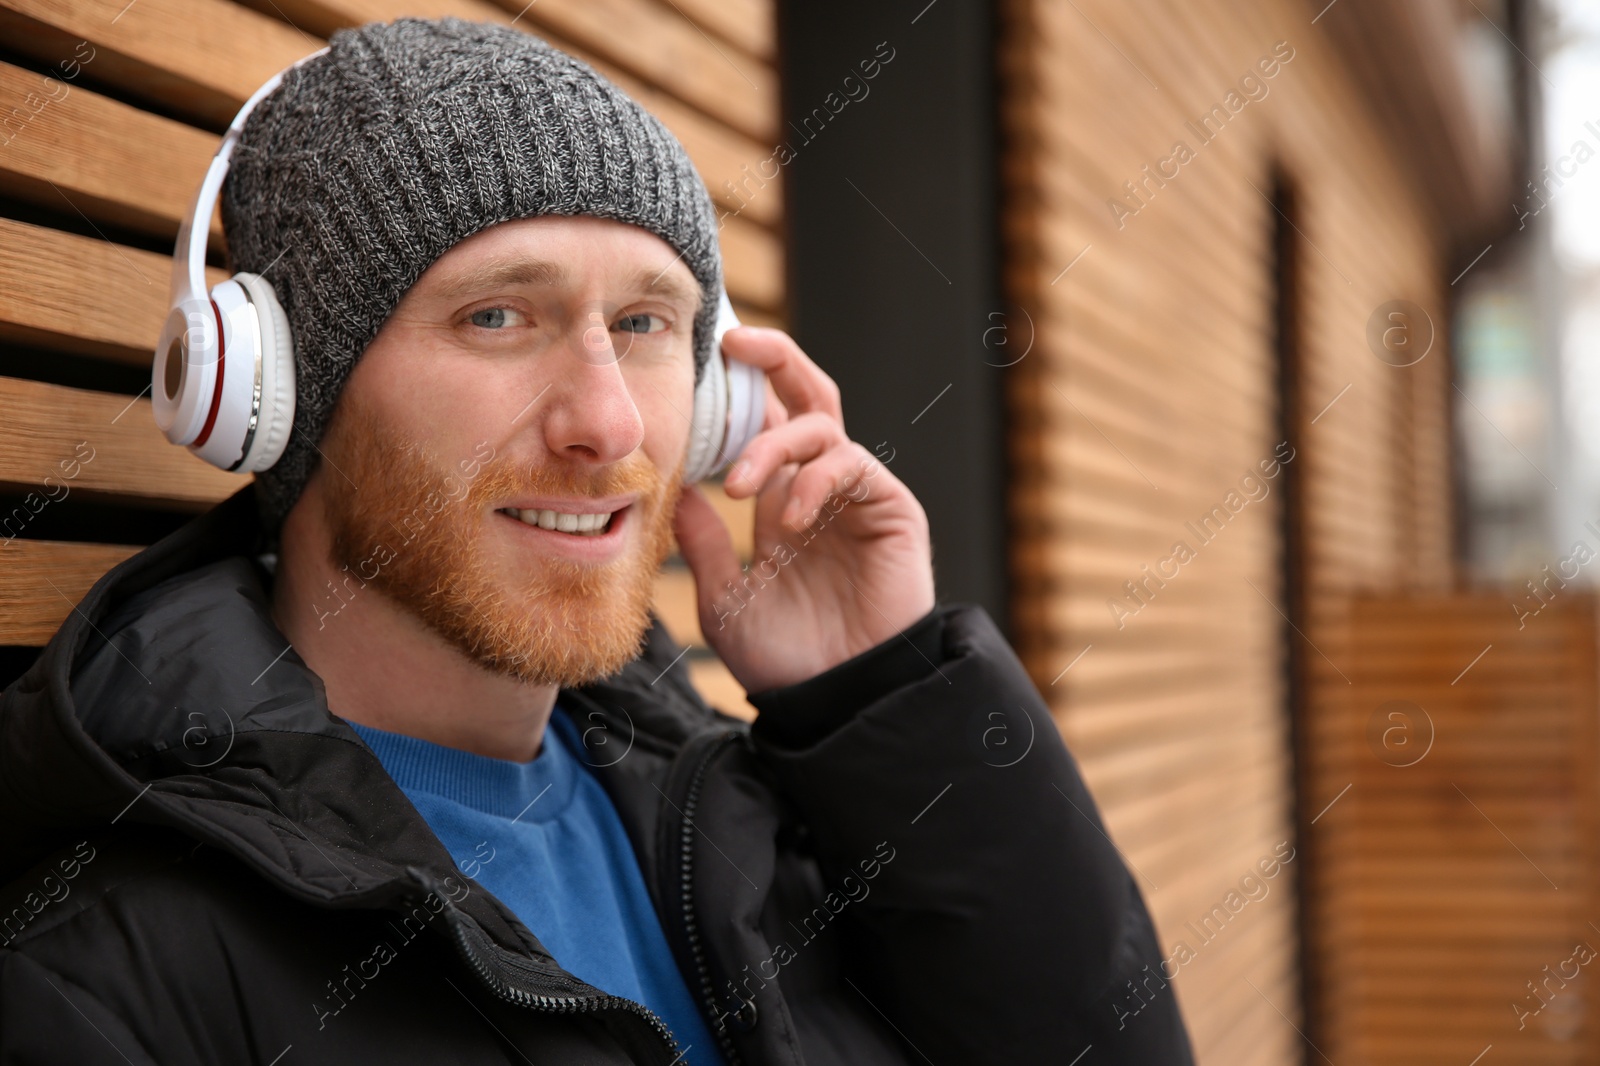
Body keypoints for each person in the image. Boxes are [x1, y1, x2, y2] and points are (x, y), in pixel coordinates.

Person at [0, 17, 1193, 1065]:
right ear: (273, 385)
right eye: (498, 316)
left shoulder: (745, 814)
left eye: (643, 322)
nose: (610, 421)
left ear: (718, 399)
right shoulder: (111, 974)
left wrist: (882, 695)